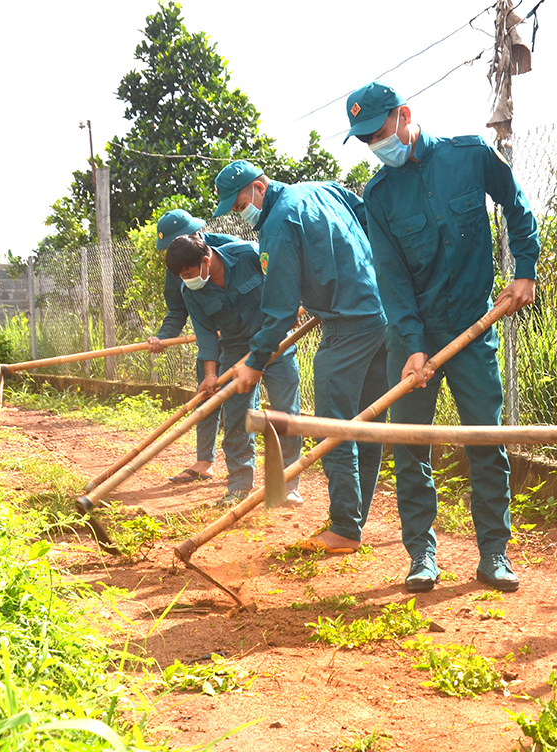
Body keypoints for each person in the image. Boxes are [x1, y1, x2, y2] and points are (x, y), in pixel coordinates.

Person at [344, 81, 541, 593]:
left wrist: (525, 269)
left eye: (379, 132)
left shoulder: (470, 157)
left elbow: (518, 208)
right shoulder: (378, 197)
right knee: (411, 446)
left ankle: (494, 552)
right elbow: (392, 279)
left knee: (486, 441)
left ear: (404, 115)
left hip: (475, 329)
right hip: (414, 340)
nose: (375, 145)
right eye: (365, 140)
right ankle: (421, 554)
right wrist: (412, 347)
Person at [213, 159, 390, 555]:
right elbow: (366, 218)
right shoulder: (323, 187)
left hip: (347, 326)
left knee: (335, 425)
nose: (242, 216)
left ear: (260, 186)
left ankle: (345, 527)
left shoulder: (277, 226)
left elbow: (278, 310)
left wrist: (255, 361)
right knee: (368, 420)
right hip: (383, 314)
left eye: (241, 205)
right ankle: (354, 520)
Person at [164, 233, 303, 508]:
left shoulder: (248, 254)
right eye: (181, 276)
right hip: (235, 350)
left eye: (189, 273)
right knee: (237, 418)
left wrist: (294, 305)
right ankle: (239, 486)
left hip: (275, 340)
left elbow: (286, 274)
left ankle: (289, 485)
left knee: (287, 414)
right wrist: (211, 374)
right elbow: (205, 334)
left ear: (206, 260)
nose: (186, 280)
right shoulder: (189, 291)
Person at [148, 209, 236, 483]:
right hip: (208, 335)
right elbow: (177, 309)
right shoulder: (176, 265)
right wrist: (163, 336)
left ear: (196, 235)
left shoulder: (229, 248)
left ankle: (243, 471)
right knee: (207, 393)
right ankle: (204, 462)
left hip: (244, 334)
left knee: (240, 400)